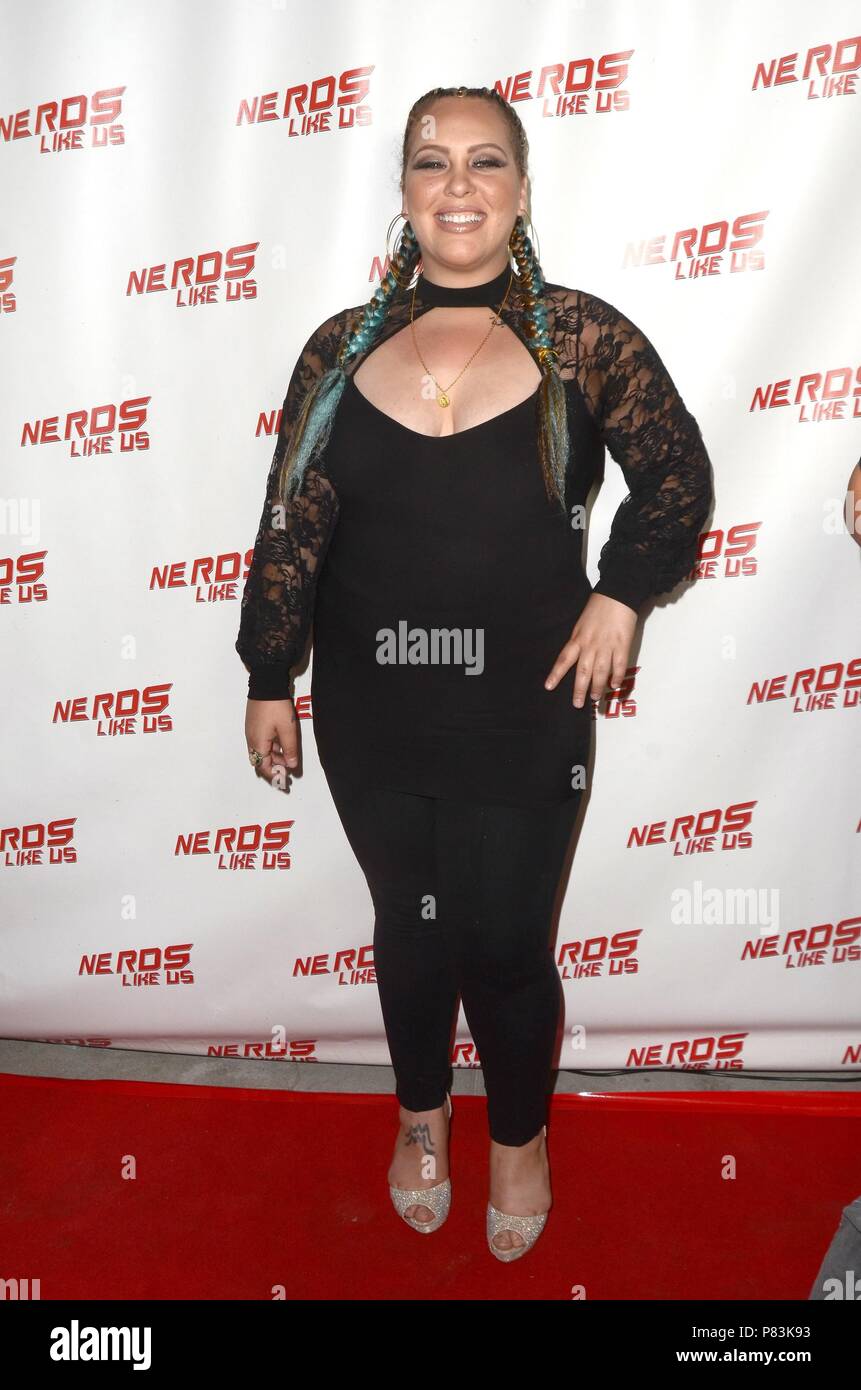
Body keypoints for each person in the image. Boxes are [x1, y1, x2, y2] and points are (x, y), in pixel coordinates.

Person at [235, 85, 714, 1260]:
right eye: (432, 161)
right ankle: (418, 1115)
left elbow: (678, 478)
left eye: (485, 161)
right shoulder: (339, 349)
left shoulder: (583, 339)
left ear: (521, 190)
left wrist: (621, 593)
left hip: (525, 708)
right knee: (410, 926)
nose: (458, 184)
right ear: (404, 191)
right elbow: (291, 521)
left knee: (501, 942)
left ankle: (518, 1136)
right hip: (373, 707)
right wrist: (267, 672)